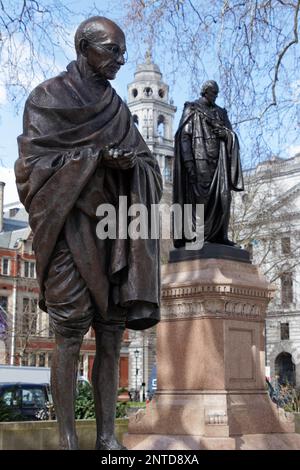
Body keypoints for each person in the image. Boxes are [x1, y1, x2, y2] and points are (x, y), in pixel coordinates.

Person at [15, 16, 162, 450]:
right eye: (112, 50)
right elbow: (30, 171)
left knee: (112, 334)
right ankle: (65, 439)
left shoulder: (118, 108)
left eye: (122, 52)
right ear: (85, 47)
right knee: (69, 331)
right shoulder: (47, 98)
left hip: (115, 238)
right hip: (69, 232)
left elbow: (149, 165)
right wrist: (95, 158)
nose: (120, 59)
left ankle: (106, 438)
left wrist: (131, 164)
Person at [173, 80, 244, 247]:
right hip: (199, 161)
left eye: (217, 94)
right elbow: (184, 137)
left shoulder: (221, 112)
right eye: (213, 93)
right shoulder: (192, 108)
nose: (215, 97)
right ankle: (198, 235)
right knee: (200, 199)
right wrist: (189, 162)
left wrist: (226, 135)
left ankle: (220, 236)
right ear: (205, 92)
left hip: (219, 164)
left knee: (223, 198)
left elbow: (231, 134)